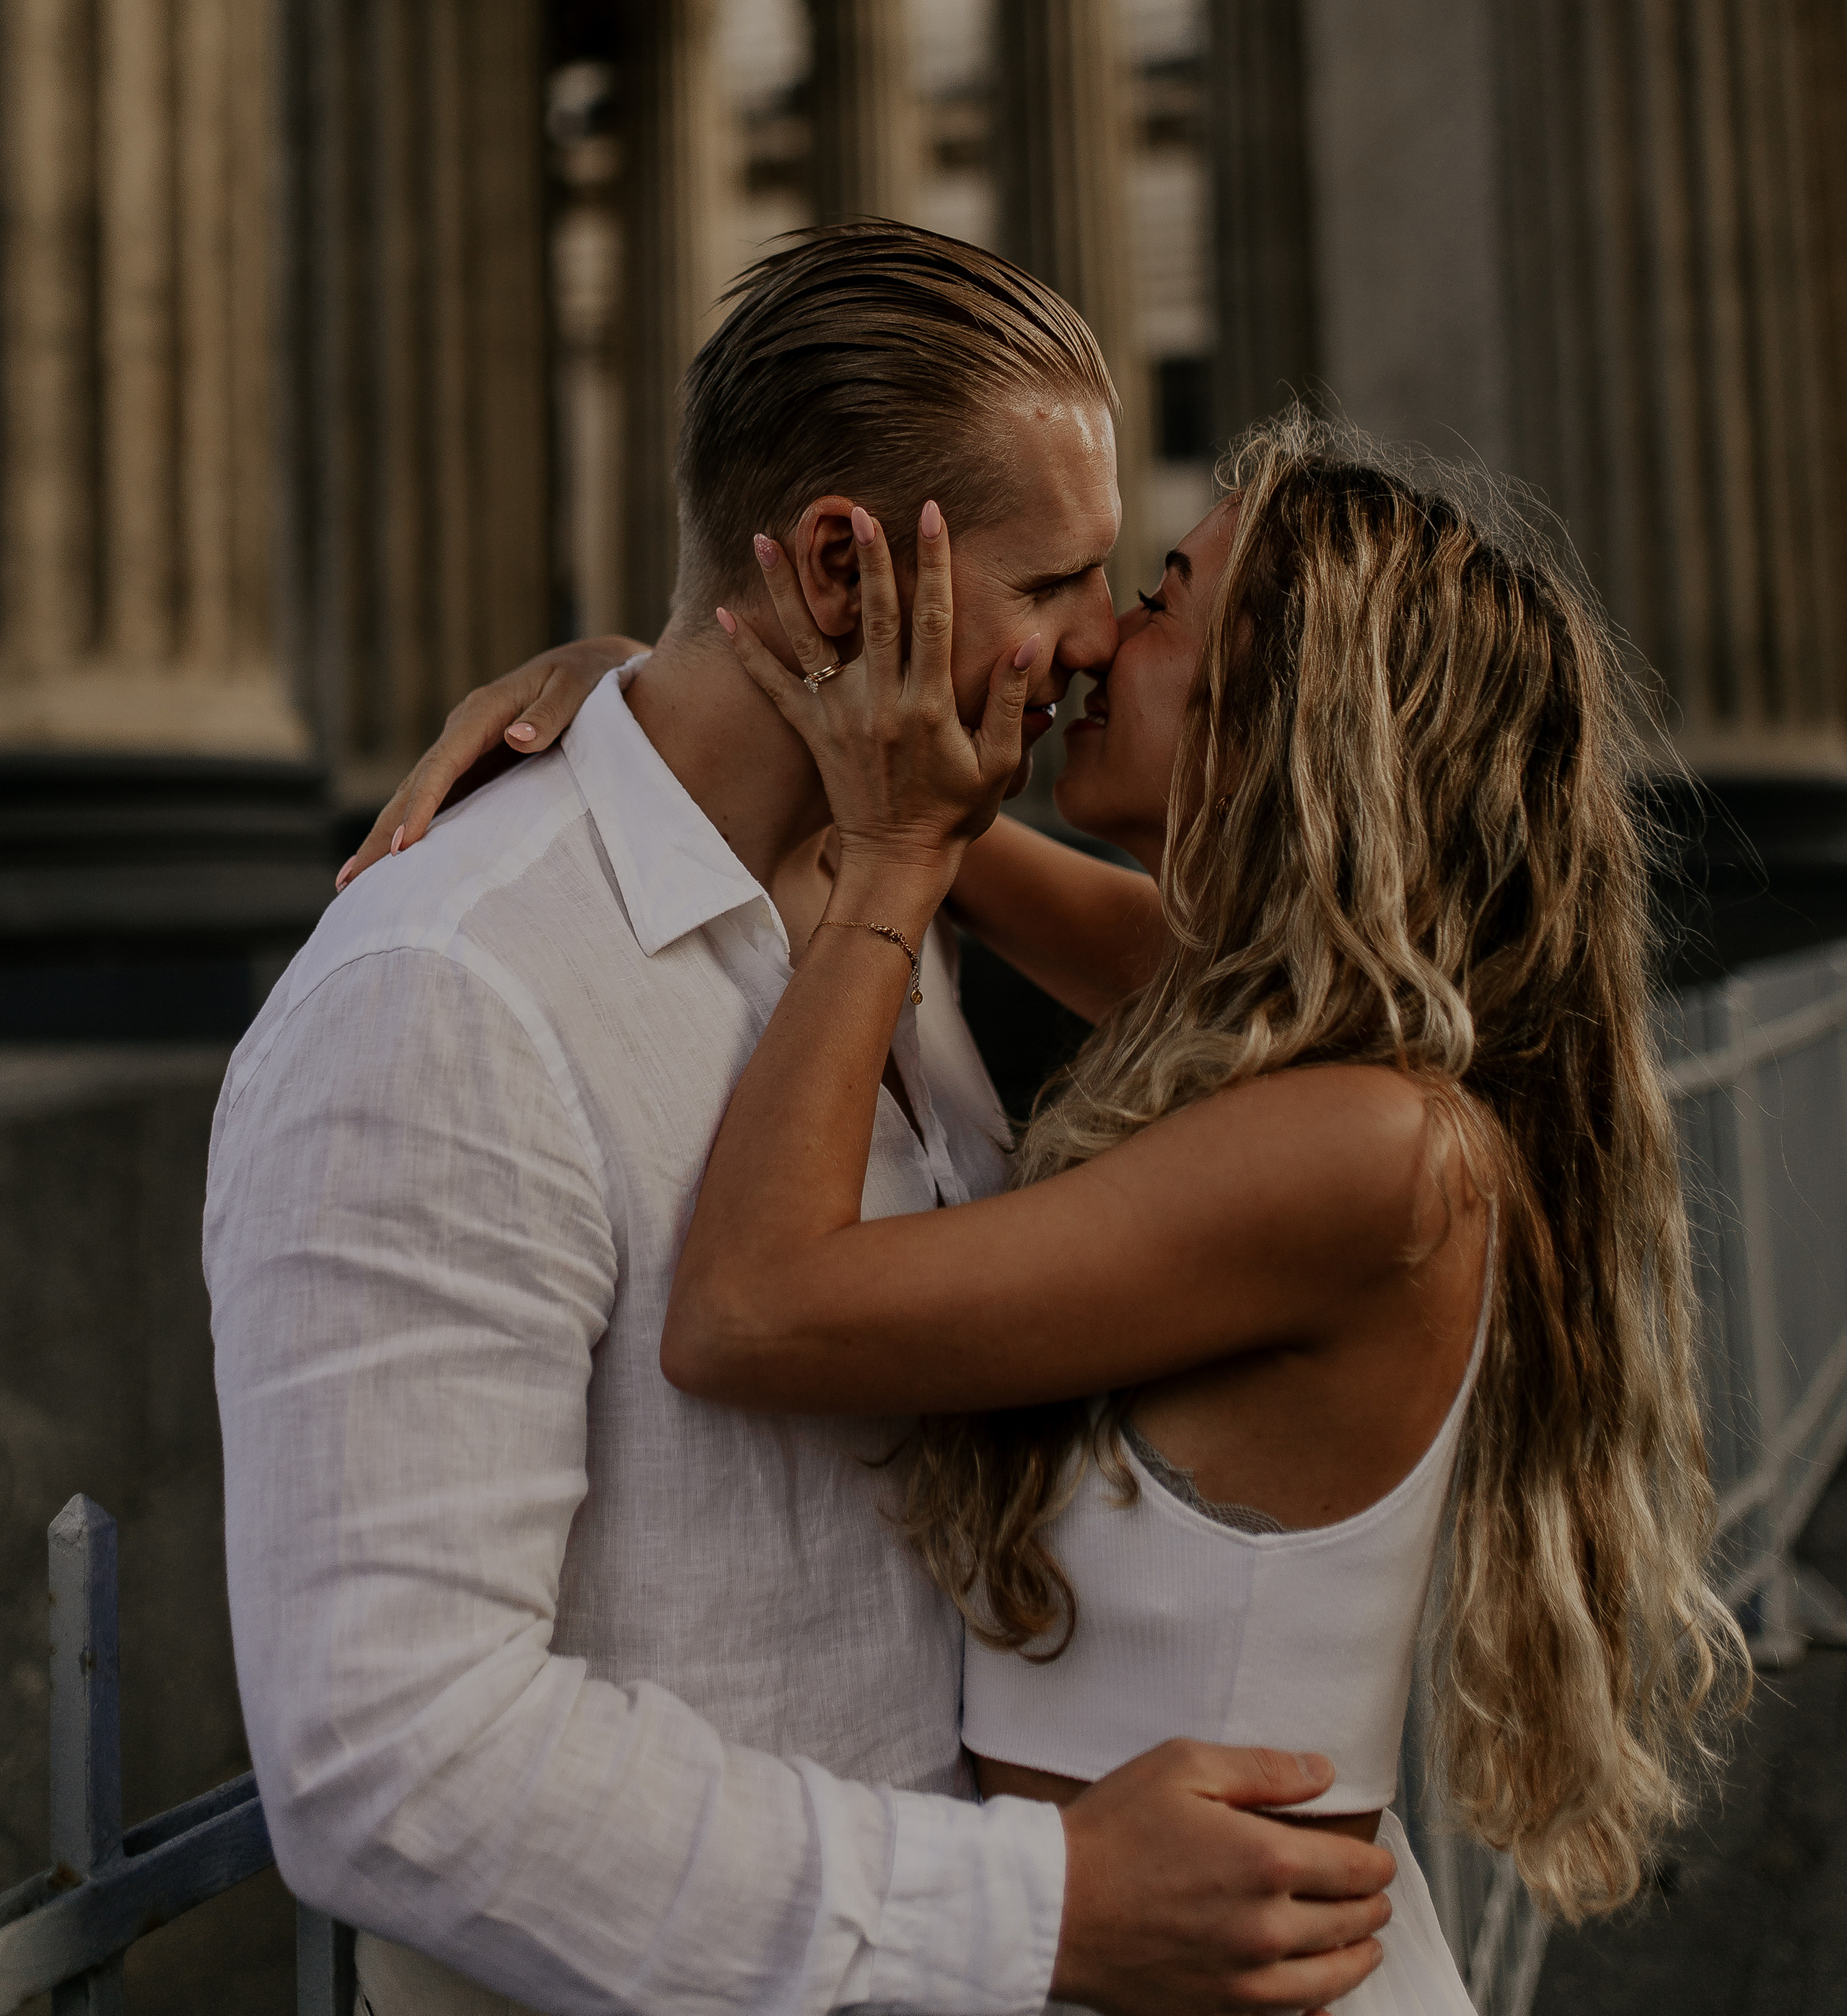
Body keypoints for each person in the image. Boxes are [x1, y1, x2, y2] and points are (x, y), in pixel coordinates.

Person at [367, 410, 1749, 2011]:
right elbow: (925, 829)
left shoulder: (1367, 1151)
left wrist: (878, 859)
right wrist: (652, 695)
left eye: (1163, 599)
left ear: (1279, 716)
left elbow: (746, 1307)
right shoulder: (1270, 1025)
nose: (1097, 637)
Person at [206, 226, 1398, 2016]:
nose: (1094, 643)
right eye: (1060, 578)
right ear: (843, 569)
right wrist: (1037, 1910)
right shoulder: (444, 994)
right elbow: (392, 1759)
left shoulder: (880, 885)